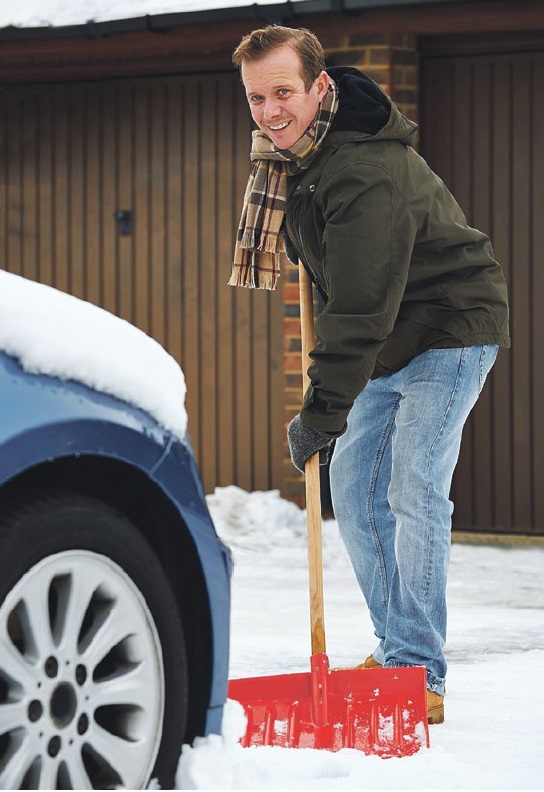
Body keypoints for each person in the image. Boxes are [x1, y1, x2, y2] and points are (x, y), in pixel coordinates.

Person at [230, 25, 510, 725]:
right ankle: (396, 650)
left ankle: (418, 668)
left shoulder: (361, 169)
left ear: (319, 87)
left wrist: (321, 413)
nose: (270, 111)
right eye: (257, 97)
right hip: (389, 340)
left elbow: (357, 305)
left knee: (414, 485)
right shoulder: (295, 167)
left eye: (283, 92)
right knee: (353, 494)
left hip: (450, 323)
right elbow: (339, 291)